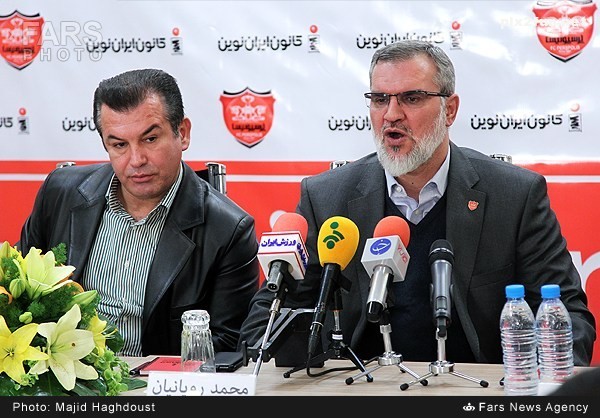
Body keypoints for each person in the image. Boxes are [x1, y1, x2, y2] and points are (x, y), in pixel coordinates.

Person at [239, 40, 596, 366]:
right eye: (380, 99)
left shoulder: (514, 196)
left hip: (474, 390)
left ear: (449, 110)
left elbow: (567, 315)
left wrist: (533, 388)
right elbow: (268, 319)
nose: (391, 114)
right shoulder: (326, 197)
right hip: (357, 390)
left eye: (411, 98)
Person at [19, 68, 260, 357]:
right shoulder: (60, 193)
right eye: (119, 145)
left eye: (150, 139)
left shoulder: (229, 230)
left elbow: (228, 346)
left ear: (182, 133)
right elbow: (19, 293)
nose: (136, 160)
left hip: (160, 381)